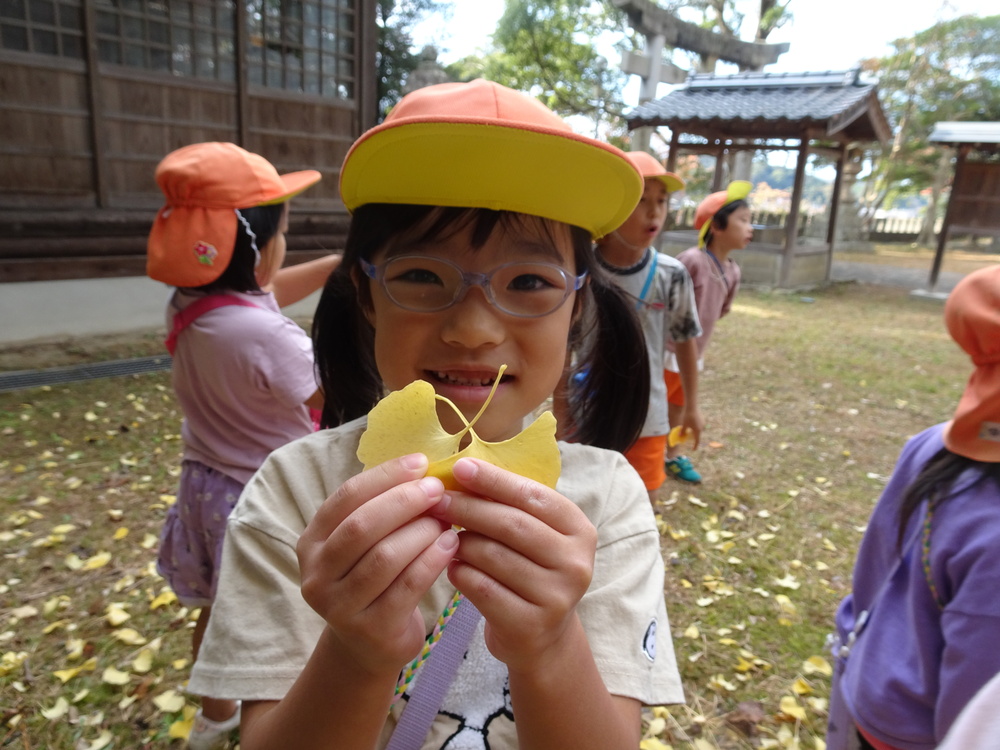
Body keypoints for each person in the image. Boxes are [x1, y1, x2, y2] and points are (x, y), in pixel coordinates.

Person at [187, 79, 684, 750]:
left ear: (577, 309)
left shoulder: (608, 507)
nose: (475, 327)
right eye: (422, 275)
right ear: (366, 293)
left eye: (529, 282)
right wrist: (356, 654)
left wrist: (550, 641)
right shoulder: (294, 495)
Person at [145, 141, 339, 750]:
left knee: (217, 608)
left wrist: (335, 263)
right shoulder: (266, 336)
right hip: (261, 496)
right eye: (283, 232)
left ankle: (213, 713)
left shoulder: (195, 307)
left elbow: (268, 288)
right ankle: (277, 713)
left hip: (205, 486)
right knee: (272, 616)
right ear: (254, 247)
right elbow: (325, 400)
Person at [826, 264, 1000, 750]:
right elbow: (975, 712)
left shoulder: (930, 445)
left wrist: (857, 645)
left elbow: (874, 572)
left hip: (870, 689)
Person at [590, 149, 703, 491]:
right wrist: (565, 415)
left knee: (643, 504)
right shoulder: (581, 273)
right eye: (641, 200)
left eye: (662, 200)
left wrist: (691, 407)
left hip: (649, 417)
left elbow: (685, 343)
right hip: (589, 412)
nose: (654, 211)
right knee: (589, 499)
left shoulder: (673, 275)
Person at [663, 181, 753, 484]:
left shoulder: (734, 270)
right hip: (666, 351)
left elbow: (722, 308)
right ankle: (645, 453)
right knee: (655, 403)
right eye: (743, 220)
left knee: (679, 404)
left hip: (693, 355)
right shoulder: (692, 261)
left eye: (749, 221)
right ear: (716, 225)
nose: (749, 228)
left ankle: (671, 454)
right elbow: (663, 299)